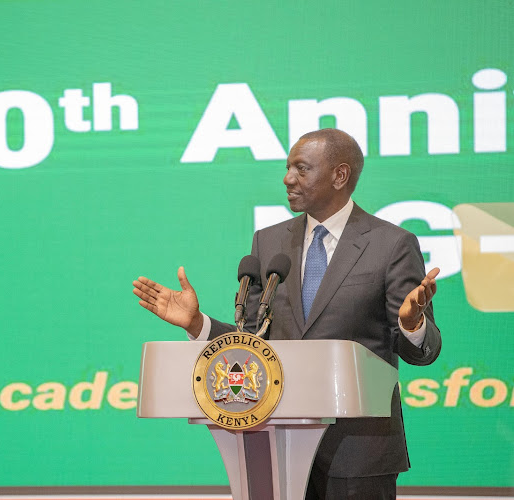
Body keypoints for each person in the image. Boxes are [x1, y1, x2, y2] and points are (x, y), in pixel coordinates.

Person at [132, 128, 441, 499]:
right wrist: (199, 325)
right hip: (273, 445)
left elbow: (422, 353)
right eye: (287, 167)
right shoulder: (269, 241)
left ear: (339, 176)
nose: (287, 178)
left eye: (301, 168)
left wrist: (411, 326)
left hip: (358, 454)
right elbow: (252, 345)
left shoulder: (390, 244)